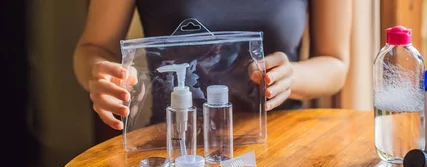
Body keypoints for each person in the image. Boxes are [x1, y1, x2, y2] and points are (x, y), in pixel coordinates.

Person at [73, 0, 351, 131]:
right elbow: (93, 48)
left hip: (281, 146)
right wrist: (105, 77)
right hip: (176, 143)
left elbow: (335, 64)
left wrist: (293, 76)